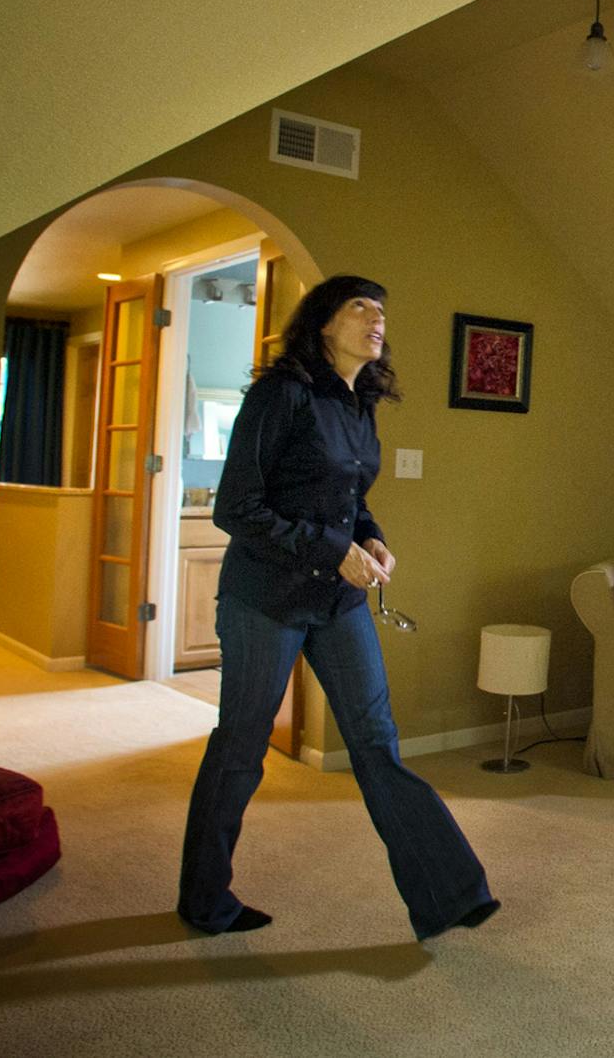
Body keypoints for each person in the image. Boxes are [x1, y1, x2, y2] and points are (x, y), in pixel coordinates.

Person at [178, 275, 497, 939]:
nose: (376, 318)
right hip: (265, 598)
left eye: (382, 310)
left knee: (377, 742)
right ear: (324, 322)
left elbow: (350, 499)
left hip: (338, 599)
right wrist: (333, 548)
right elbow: (237, 508)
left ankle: (450, 894)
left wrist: (370, 536)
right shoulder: (281, 394)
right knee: (241, 746)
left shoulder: (360, 405)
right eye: (360, 306)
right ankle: (204, 899)